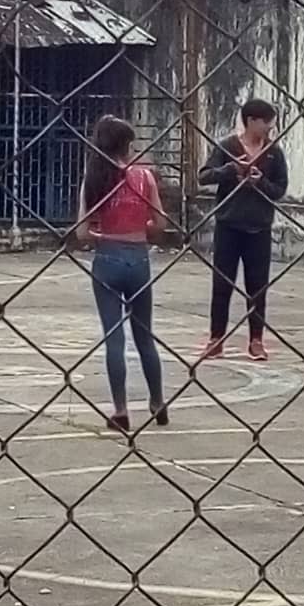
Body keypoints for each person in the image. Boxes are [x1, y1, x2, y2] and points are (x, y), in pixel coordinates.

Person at [77, 115, 169, 433]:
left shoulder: (94, 180)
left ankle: (120, 409)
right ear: (126, 145)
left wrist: (103, 235)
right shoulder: (144, 178)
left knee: (114, 338)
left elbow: (82, 232)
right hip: (138, 257)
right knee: (145, 336)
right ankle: (157, 401)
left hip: (107, 258)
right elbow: (160, 224)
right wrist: (140, 228)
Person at [197, 98, 289, 361]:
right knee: (222, 284)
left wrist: (260, 183)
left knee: (257, 286)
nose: (269, 129)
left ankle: (256, 340)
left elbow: (280, 189)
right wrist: (230, 169)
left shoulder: (273, 152)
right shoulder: (227, 146)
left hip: (259, 227)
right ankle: (216, 338)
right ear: (251, 121)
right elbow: (204, 176)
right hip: (229, 225)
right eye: (266, 123)